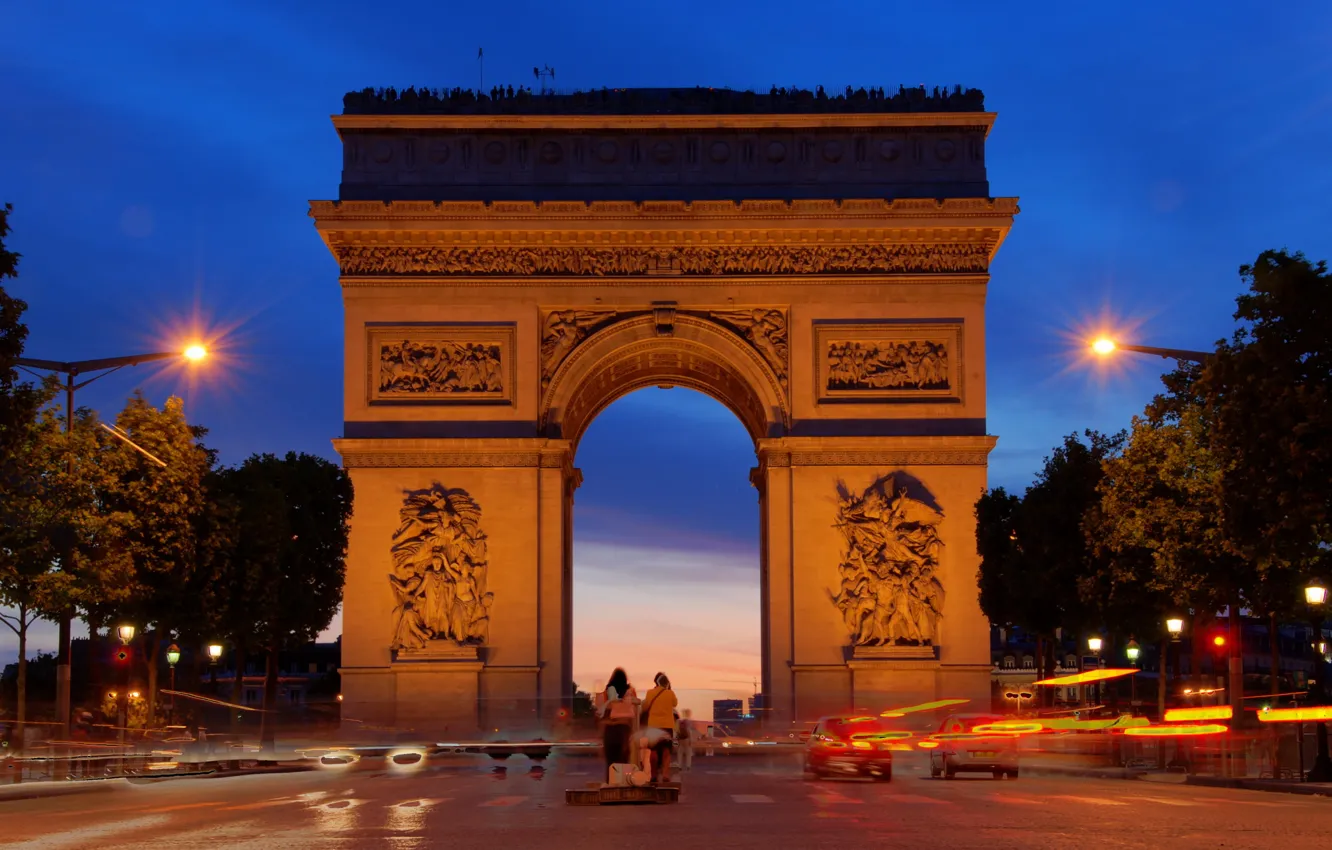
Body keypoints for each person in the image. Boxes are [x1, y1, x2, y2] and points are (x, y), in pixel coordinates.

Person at [637, 672, 678, 783]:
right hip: (667, 726)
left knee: (653, 751)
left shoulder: (650, 693)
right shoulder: (670, 693)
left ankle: (653, 775)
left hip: (653, 726)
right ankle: (665, 774)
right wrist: (668, 689)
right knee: (666, 751)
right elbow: (675, 704)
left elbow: (645, 706)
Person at [596, 668, 638, 774]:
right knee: (624, 762)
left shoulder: (608, 691)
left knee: (611, 764)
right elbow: (635, 711)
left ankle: (610, 788)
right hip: (624, 729)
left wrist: (600, 737)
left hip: (610, 729)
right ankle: (622, 786)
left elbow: (602, 713)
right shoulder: (631, 691)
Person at [677, 708, 694, 772]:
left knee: (680, 753)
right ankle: (688, 766)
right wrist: (690, 740)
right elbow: (689, 731)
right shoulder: (688, 721)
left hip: (681, 739)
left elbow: (677, 731)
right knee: (688, 753)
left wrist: (677, 740)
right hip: (687, 738)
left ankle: (679, 766)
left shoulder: (680, 721)